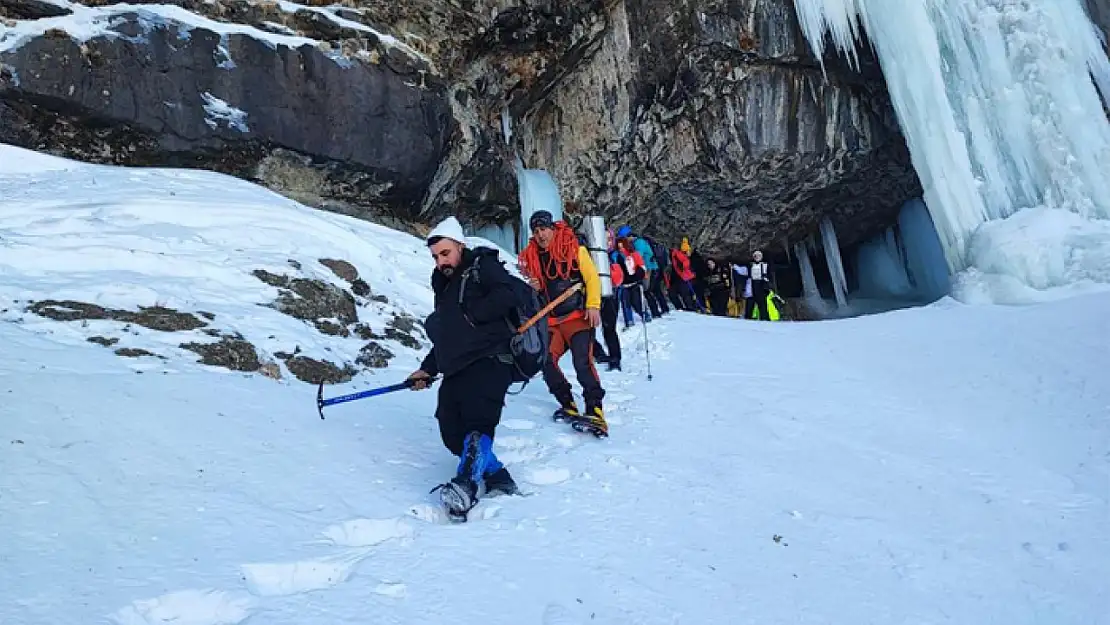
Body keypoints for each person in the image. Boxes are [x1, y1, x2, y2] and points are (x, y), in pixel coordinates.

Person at [407, 216, 521, 518]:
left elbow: (506, 295)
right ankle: (498, 477)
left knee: (478, 425)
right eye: (435, 256)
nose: (440, 261)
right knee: (451, 430)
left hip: (491, 359)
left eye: (445, 253)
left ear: (460, 246)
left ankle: (465, 486)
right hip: (458, 365)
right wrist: (427, 369)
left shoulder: (483, 266)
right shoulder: (444, 285)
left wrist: (471, 316)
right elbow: (447, 335)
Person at [519, 210, 608, 436]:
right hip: (552, 320)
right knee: (546, 361)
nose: (540, 235)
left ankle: (595, 409)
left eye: (544, 229)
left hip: (578, 316)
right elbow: (540, 287)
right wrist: (536, 288)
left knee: (582, 363)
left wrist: (594, 305)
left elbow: (591, 277)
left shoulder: (573, 247)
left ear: (552, 228)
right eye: (536, 231)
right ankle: (567, 402)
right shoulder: (533, 256)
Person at [617, 225, 669, 318]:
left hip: (649, 269)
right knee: (656, 290)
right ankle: (664, 309)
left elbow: (638, 256)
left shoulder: (638, 243)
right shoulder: (640, 241)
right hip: (654, 267)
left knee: (647, 291)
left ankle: (655, 312)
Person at [615, 236, 649, 327]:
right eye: (619, 247)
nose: (621, 249)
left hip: (634, 283)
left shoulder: (634, 254)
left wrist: (640, 274)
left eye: (622, 247)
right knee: (626, 304)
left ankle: (645, 315)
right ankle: (629, 321)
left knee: (637, 302)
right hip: (624, 284)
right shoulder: (617, 257)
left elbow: (642, 267)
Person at [746, 250, 772, 321]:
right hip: (752, 284)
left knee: (762, 304)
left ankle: (765, 318)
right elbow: (745, 272)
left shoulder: (765, 264)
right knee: (750, 303)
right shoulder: (750, 265)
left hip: (761, 284)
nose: (757, 257)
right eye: (755, 256)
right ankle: (748, 318)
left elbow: (769, 275)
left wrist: (767, 285)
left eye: (759, 256)